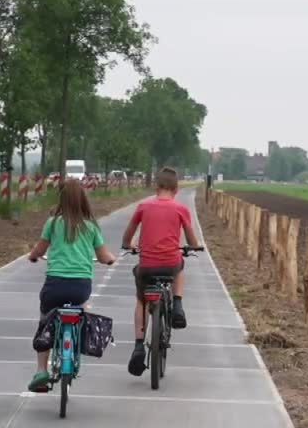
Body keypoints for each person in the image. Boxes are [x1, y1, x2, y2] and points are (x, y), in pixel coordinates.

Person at [26, 178, 116, 392]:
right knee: (81, 308)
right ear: (84, 199)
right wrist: (111, 259)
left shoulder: (53, 223)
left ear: (61, 199)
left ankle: (41, 370)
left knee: (44, 320)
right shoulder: (91, 225)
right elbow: (103, 256)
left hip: (54, 285)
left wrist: (33, 256)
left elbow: (39, 250)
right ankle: (76, 343)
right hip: (80, 287)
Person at [120, 166, 202, 376]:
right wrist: (193, 246)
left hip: (146, 266)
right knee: (180, 266)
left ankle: (139, 345)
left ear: (156, 187)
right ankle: (177, 304)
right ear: (176, 189)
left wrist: (128, 245)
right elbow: (192, 241)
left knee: (141, 300)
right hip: (170, 263)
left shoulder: (143, 206)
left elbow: (128, 233)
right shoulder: (180, 209)